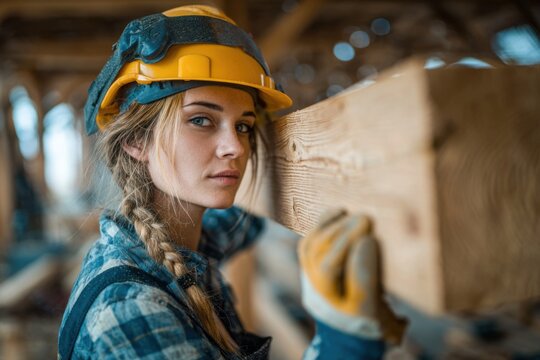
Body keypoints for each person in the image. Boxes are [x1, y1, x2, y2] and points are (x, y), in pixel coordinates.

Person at [58, 5, 405, 359]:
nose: (235, 147)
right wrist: (345, 343)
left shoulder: (173, 244)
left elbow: (237, 225)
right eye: (201, 120)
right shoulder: (132, 311)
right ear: (136, 141)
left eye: (243, 125)